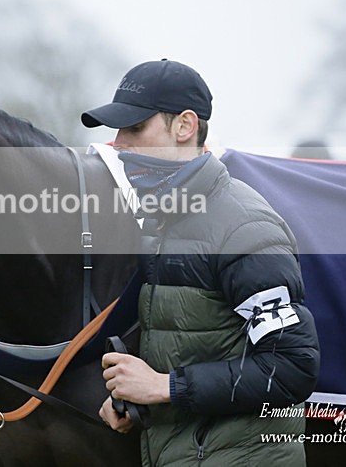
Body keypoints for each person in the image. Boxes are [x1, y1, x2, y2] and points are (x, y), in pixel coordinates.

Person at [81, 60, 321, 466]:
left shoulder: (244, 227)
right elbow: (191, 341)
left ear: (185, 126)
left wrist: (164, 388)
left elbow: (292, 367)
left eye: (135, 128)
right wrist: (134, 399)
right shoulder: (163, 219)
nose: (118, 144)